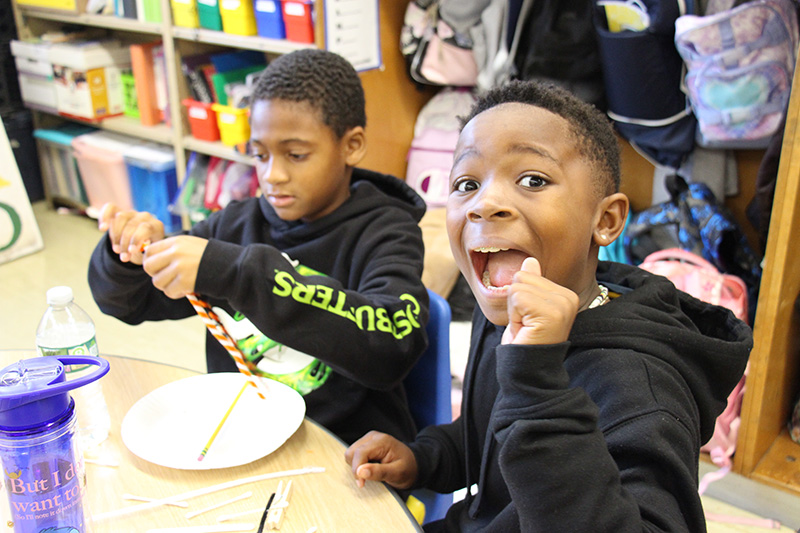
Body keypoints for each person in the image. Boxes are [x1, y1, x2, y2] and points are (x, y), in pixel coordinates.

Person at [346, 80, 751, 531]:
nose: (486, 204)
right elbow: (489, 439)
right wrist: (424, 458)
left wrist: (537, 384)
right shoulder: (504, 309)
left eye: (532, 179)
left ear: (606, 220)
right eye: (467, 183)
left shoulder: (642, 388)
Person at [88, 49, 429, 445]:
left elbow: (392, 347)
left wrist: (235, 272)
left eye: (296, 155)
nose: (273, 176)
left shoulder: (387, 232)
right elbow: (129, 303)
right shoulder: (235, 224)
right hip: (244, 436)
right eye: (259, 155)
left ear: (351, 146)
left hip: (346, 450)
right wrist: (127, 255)